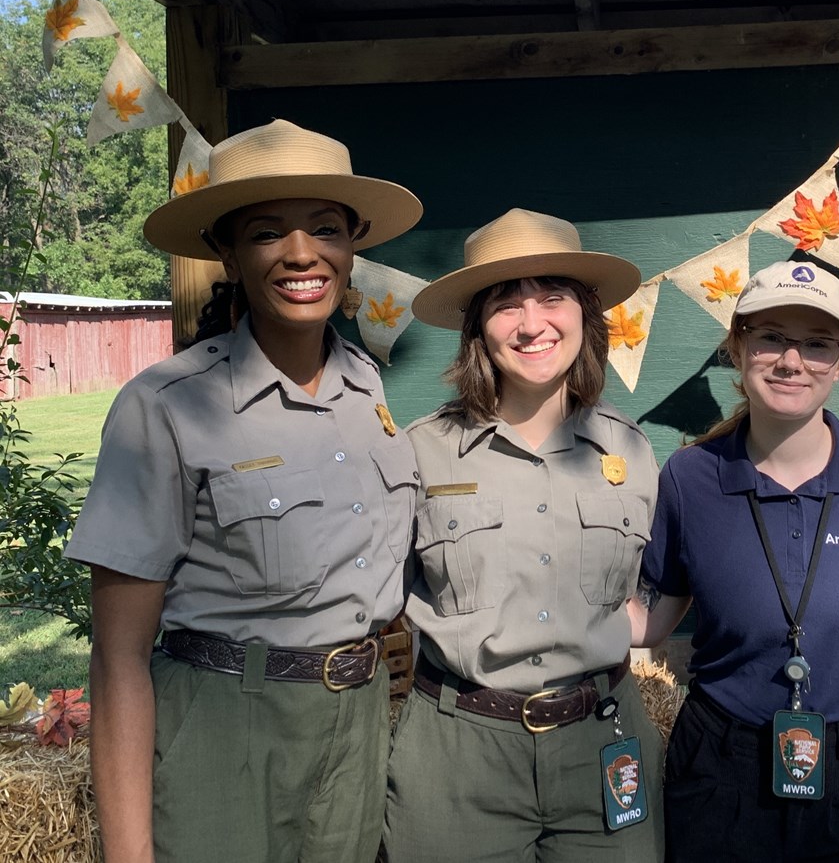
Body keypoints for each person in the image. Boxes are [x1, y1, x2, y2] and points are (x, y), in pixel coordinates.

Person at [64, 119, 423, 863]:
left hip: (354, 735)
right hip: (225, 733)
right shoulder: (164, 405)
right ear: (227, 252)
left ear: (353, 244)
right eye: (267, 232)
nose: (301, 253)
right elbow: (119, 656)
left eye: (325, 228)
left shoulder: (368, 390)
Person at [629, 260, 839, 863]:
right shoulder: (691, 477)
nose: (792, 361)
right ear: (737, 347)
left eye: (817, 344)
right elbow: (650, 618)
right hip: (722, 759)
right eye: (770, 337)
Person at [386, 208, 664, 862]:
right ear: (477, 325)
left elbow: (644, 593)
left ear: (586, 313)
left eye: (552, 296)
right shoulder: (419, 454)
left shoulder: (631, 450)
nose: (532, 322)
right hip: (458, 755)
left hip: (603, 741)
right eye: (506, 301)